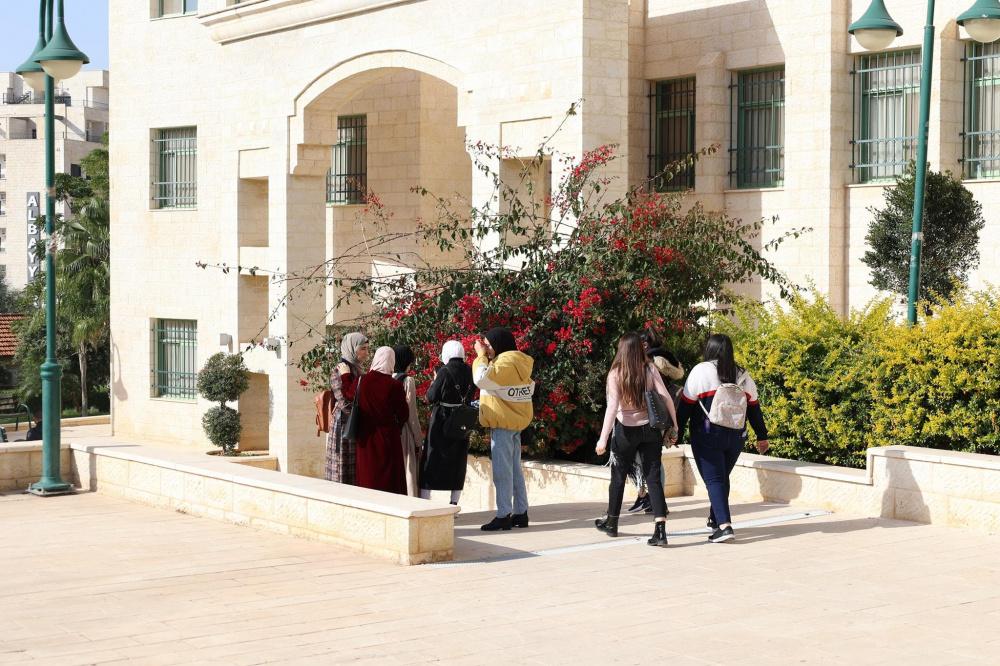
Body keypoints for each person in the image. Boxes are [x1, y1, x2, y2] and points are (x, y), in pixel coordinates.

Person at [675, 333, 770, 543]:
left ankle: (725, 527)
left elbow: (685, 407)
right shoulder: (743, 374)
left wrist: (676, 433)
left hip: (707, 435)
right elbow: (754, 409)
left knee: (715, 479)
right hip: (736, 437)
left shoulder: (701, 371)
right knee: (721, 477)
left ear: (709, 349)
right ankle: (715, 518)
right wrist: (762, 436)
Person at [594, 332, 677, 547]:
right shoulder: (649, 368)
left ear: (621, 350)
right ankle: (660, 530)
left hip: (625, 431)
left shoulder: (615, 373)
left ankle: (612, 523)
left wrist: (603, 439)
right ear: (640, 349)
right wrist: (675, 425)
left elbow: (612, 408)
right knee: (653, 478)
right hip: (650, 430)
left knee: (618, 477)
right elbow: (665, 396)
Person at [474, 327, 534, 531]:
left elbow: (480, 379)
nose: (487, 349)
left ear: (499, 344)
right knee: (515, 471)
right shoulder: (517, 362)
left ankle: (503, 515)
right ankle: (520, 513)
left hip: (503, 424)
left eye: (489, 345)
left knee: (502, 472)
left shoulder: (505, 363)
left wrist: (480, 357)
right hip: (513, 423)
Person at [627, 330, 685, 515]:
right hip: (655, 415)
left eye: (643, 343)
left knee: (652, 460)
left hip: (653, 415)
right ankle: (646, 496)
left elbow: (662, 391)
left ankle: (656, 500)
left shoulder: (654, 361)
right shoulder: (658, 358)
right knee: (645, 459)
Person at [421, 340, 474, 506]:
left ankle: (424, 501)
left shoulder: (444, 371)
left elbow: (431, 396)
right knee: (458, 461)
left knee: (432, 459)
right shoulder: (470, 370)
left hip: (441, 420)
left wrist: (434, 381)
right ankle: (454, 503)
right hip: (461, 419)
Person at [354, 346, 409, 495]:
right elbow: (404, 414)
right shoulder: (395, 385)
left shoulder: (362, 381)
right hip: (388, 438)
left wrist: (345, 376)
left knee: (367, 474)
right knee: (389, 480)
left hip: (365, 437)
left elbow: (348, 394)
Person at [325, 332, 369, 484]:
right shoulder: (339, 370)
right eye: (363, 349)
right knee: (342, 467)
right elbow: (345, 404)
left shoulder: (357, 369)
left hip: (355, 423)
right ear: (352, 348)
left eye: (367, 348)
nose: (367, 353)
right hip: (344, 425)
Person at [392, 345, 422, 497]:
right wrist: (418, 440)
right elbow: (411, 413)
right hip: (403, 432)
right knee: (408, 471)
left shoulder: (387, 377)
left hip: (389, 431)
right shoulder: (407, 380)